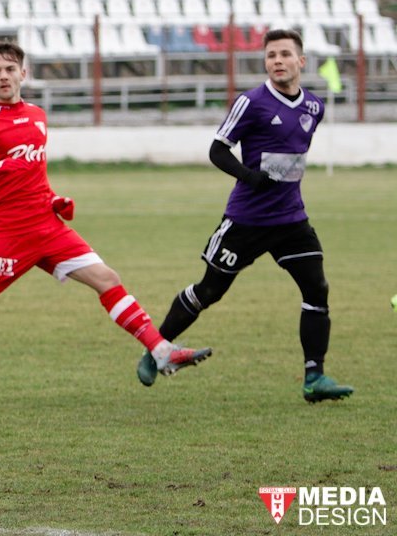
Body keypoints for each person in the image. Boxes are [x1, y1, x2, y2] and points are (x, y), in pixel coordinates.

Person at [0, 41, 211, 405]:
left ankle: (159, 350)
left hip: (47, 226)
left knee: (107, 278)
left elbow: (34, 175)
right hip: (6, 235)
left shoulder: (37, 116)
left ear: (23, 73)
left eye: (10, 69)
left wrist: (53, 199)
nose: (4, 76)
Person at [138, 29, 353, 404]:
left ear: (301, 61)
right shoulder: (251, 102)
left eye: (286, 54)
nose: (278, 61)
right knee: (209, 291)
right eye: (271, 56)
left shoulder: (315, 107)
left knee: (317, 288)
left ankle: (314, 377)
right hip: (246, 221)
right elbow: (217, 150)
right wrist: (249, 176)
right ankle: (156, 352)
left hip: (291, 221)